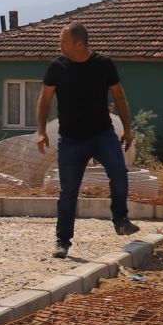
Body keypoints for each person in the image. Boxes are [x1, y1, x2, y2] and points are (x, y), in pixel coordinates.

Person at [35, 21, 138, 259]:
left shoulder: (103, 65)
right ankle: (62, 241)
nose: (59, 46)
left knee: (119, 171)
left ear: (79, 44)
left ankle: (120, 218)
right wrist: (41, 131)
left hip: (102, 134)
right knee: (68, 192)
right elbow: (44, 100)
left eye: (63, 42)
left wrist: (128, 129)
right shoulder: (57, 67)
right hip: (71, 139)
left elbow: (119, 97)